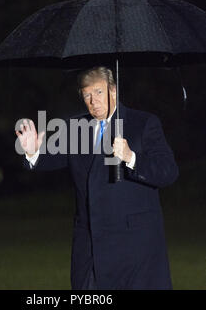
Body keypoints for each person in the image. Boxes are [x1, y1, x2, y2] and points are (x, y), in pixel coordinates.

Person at [15, 66, 179, 290]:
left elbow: (168, 171)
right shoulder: (75, 128)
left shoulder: (143, 123)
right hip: (91, 248)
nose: (93, 101)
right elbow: (52, 159)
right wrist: (33, 152)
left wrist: (131, 157)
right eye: (87, 95)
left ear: (113, 90)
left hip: (136, 250)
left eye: (98, 92)